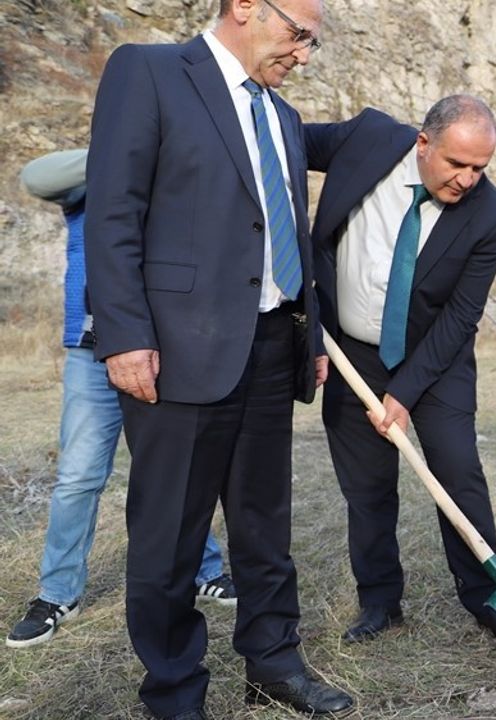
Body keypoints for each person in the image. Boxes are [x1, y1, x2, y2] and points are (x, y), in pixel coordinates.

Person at [84, 1, 353, 717]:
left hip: (272, 344)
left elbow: (288, 231)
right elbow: (113, 212)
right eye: (298, 34)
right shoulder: (150, 72)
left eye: (312, 43)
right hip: (174, 350)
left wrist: (311, 332)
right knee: (170, 533)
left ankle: (273, 662)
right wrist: (124, 335)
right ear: (244, 7)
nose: (303, 54)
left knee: (265, 524)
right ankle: (173, 692)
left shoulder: (284, 118)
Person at [304, 96, 496, 645]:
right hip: (353, 351)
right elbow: (284, 143)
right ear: (423, 143)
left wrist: (404, 392)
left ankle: (486, 598)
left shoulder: (491, 215)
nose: (468, 180)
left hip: (435, 360)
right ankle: (380, 602)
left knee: (458, 475)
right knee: (368, 488)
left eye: (480, 168)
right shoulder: (369, 139)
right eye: (457, 164)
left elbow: (461, 317)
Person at [6, 151, 237, 650]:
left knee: (173, 472)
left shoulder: (174, 181)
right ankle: (56, 593)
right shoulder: (96, 179)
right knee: (78, 478)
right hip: (92, 356)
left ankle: (205, 568)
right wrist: (127, 144)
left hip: (165, 352)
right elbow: (34, 177)